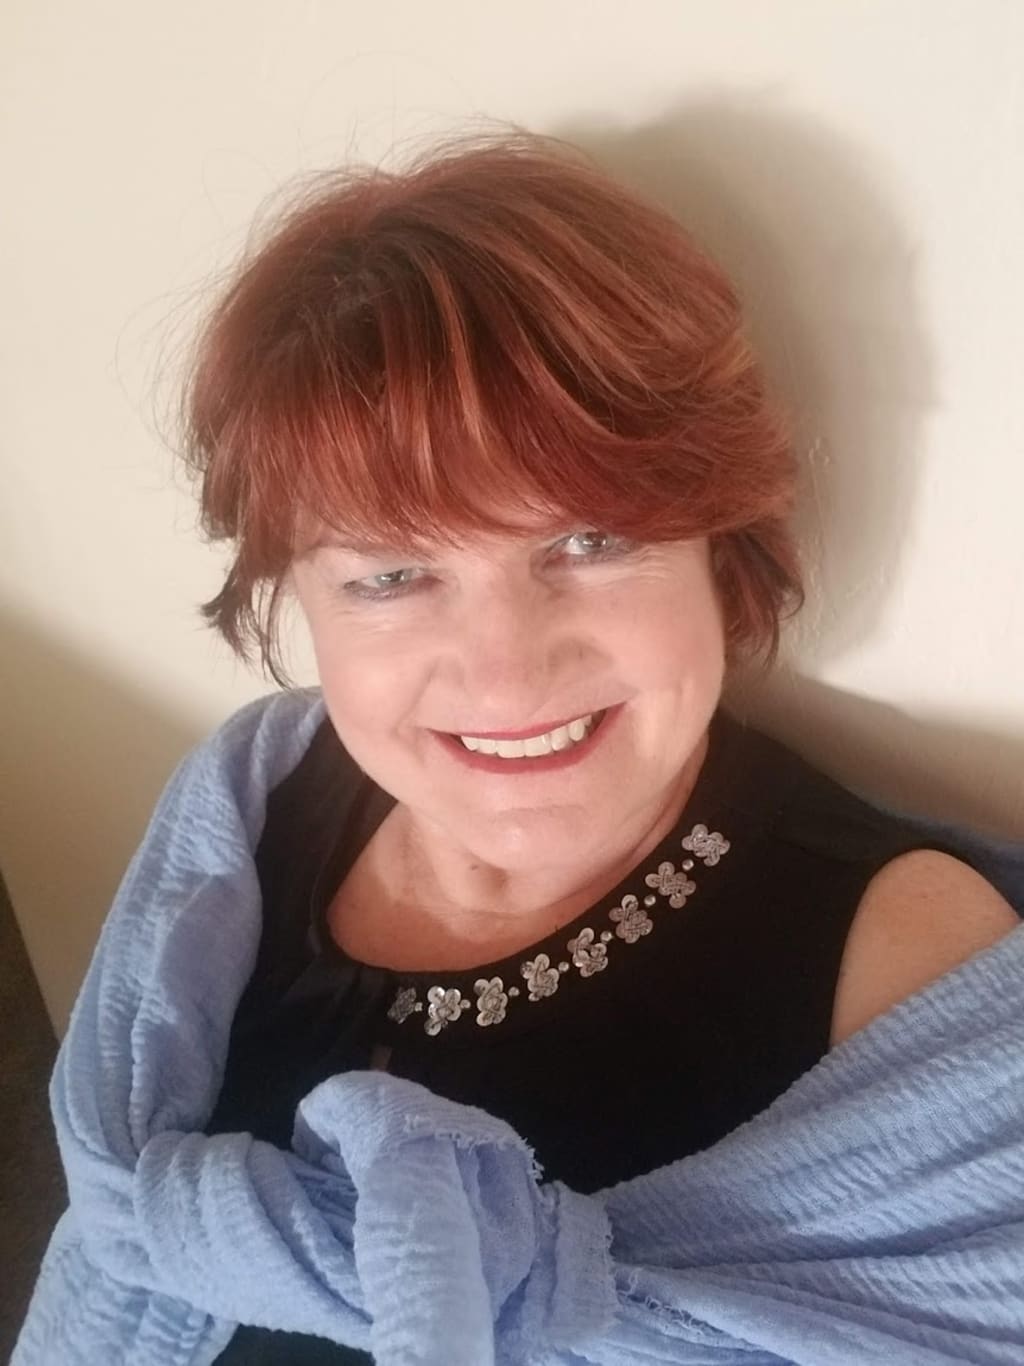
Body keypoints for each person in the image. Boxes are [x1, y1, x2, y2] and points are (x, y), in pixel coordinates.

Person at [24, 132, 1022, 1365]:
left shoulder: (906, 956)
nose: (504, 672)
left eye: (590, 541)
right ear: (298, 596)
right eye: (392, 574)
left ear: (723, 545)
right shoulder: (252, 804)